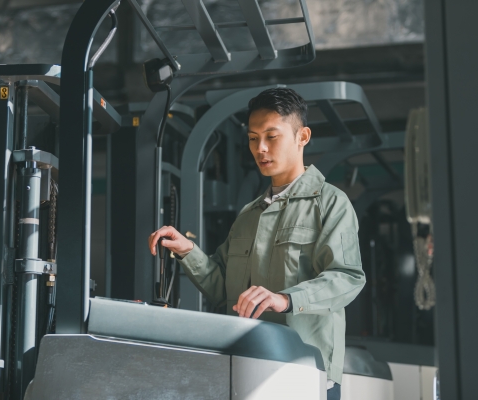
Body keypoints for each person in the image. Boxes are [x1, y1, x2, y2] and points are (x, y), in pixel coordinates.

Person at [148, 88, 366, 399]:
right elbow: (223, 288)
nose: (260, 148)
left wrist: (286, 299)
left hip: (303, 372)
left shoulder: (330, 204)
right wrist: (187, 251)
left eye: (271, 136)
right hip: (245, 367)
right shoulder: (250, 215)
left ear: (302, 136)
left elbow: (347, 278)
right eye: (252, 138)